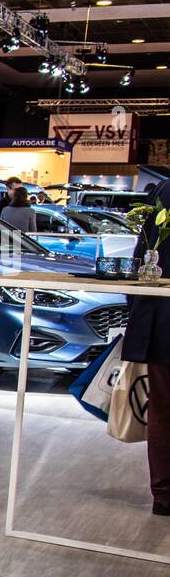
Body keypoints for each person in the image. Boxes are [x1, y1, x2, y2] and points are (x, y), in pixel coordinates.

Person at [125, 177, 170, 515]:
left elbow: (142, 256)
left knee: (163, 411)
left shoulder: (163, 191)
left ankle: (164, 495)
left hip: (161, 320)